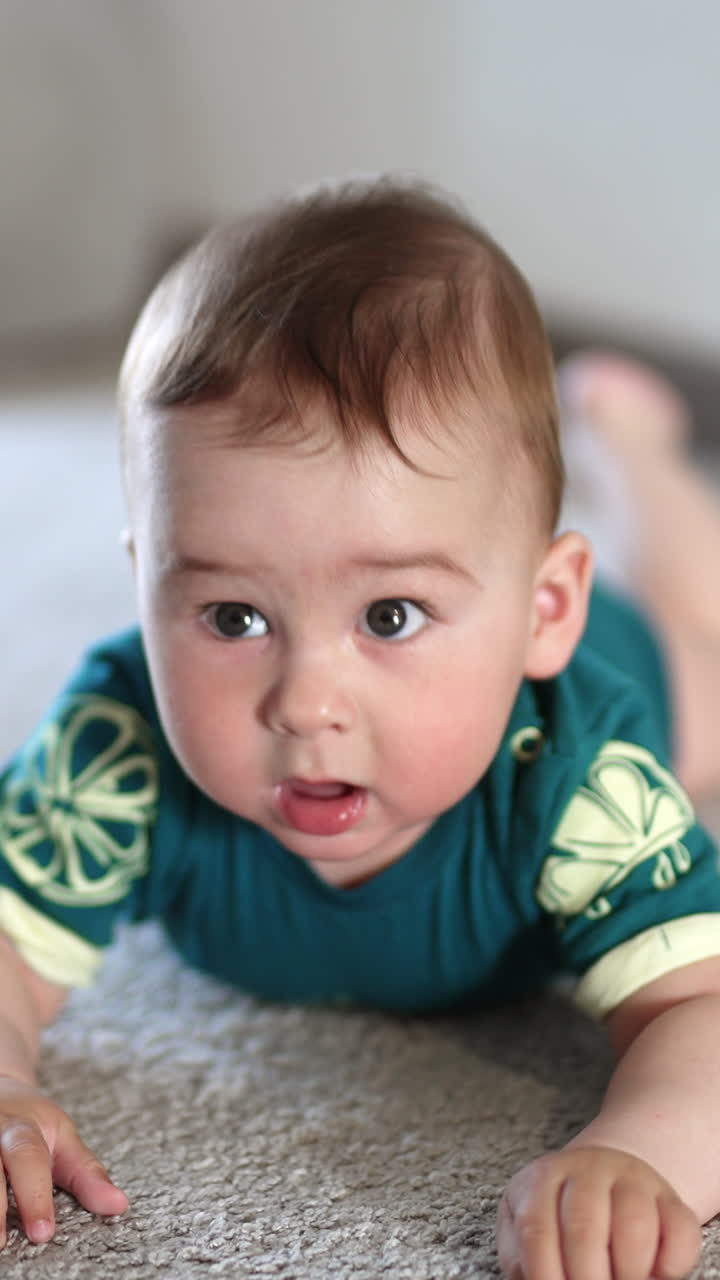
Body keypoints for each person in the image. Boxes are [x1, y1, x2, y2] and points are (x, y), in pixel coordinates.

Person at [1, 178, 720, 1279]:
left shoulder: (582, 777)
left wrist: (637, 1150)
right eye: (233, 614)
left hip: (625, 658)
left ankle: (639, 446)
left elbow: (703, 1001)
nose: (305, 701)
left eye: (390, 614)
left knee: (697, 631)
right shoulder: (122, 748)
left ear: (543, 607)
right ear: (144, 585)